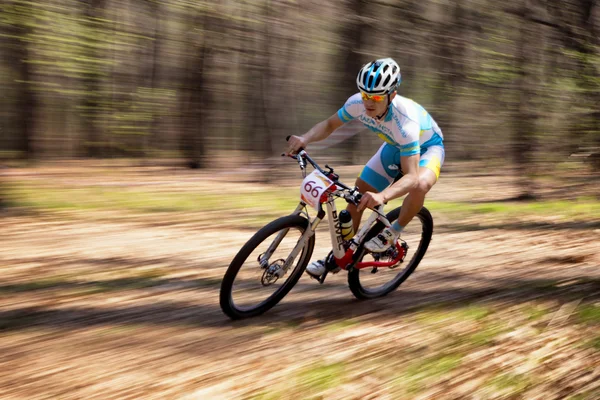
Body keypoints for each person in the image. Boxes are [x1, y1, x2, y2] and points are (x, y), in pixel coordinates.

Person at [287, 58, 445, 278]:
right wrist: (306, 138)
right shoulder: (356, 104)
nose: (369, 102)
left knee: (420, 184)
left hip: (428, 148)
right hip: (393, 145)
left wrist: (382, 196)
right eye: (365, 95)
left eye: (377, 97)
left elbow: (410, 176)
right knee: (357, 197)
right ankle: (340, 255)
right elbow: (330, 124)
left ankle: (394, 231)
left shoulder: (405, 122)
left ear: (392, 95)